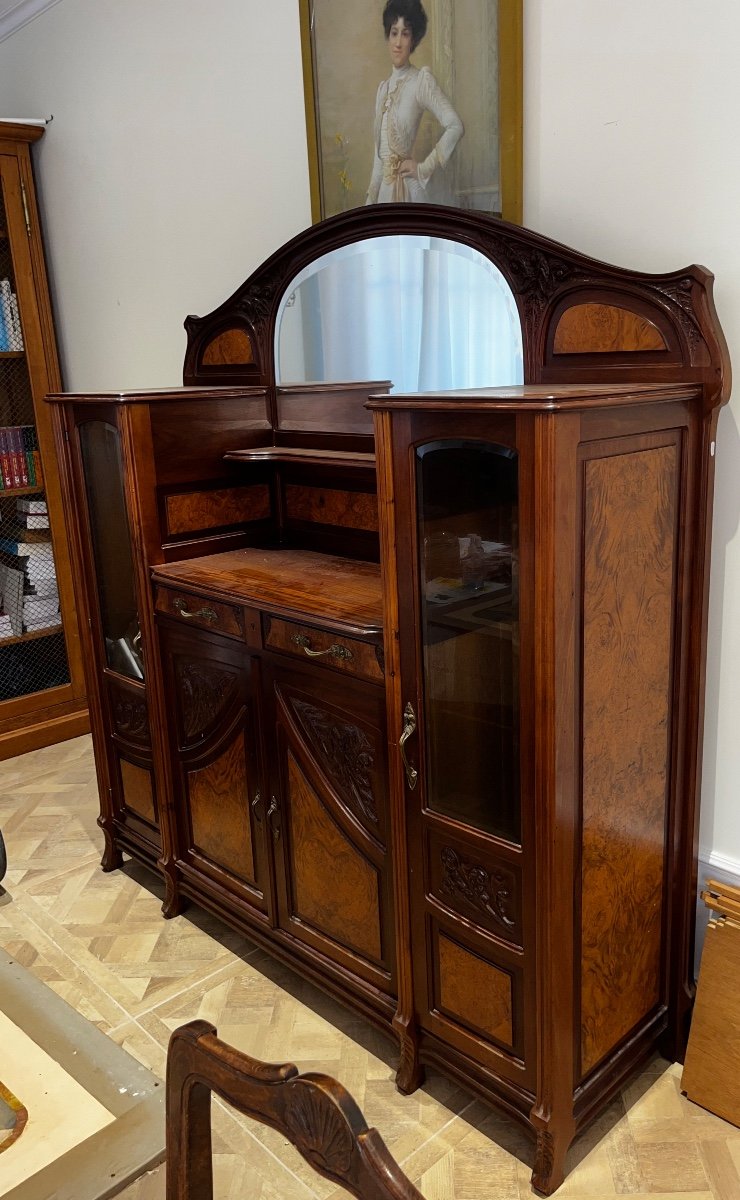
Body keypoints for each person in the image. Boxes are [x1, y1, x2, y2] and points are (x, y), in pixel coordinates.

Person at [366, 0, 464, 205]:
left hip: (408, 194)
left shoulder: (421, 81)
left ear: (413, 39)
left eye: (405, 33)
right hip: (384, 197)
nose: (398, 42)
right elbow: (378, 160)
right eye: (394, 33)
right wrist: (368, 207)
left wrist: (423, 168)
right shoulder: (382, 89)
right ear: (388, 36)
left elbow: (455, 126)